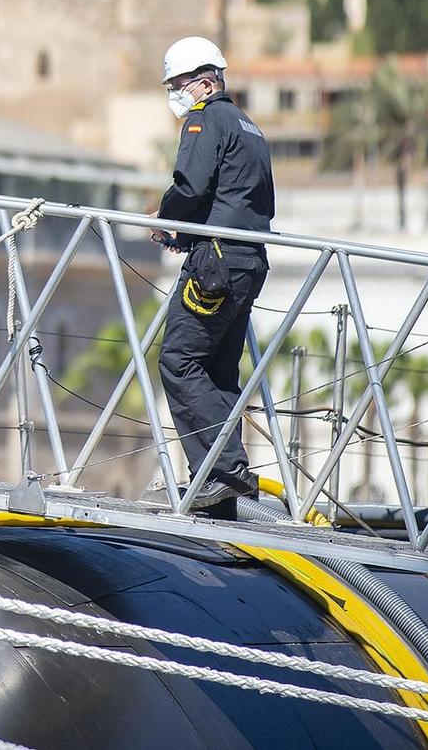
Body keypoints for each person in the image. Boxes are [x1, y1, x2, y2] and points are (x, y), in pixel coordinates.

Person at [152, 35, 276, 520]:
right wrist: (185, 237)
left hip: (217, 264)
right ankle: (224, 480)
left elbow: (190, 186)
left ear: (206, 82)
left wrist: (167, 220)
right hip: (248, 261)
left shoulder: (204, 119)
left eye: (179, 85)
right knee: (219, 370)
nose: (175, 95)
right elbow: (237, 201)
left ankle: (223, 475)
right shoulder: (251, 128)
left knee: (179, 359)